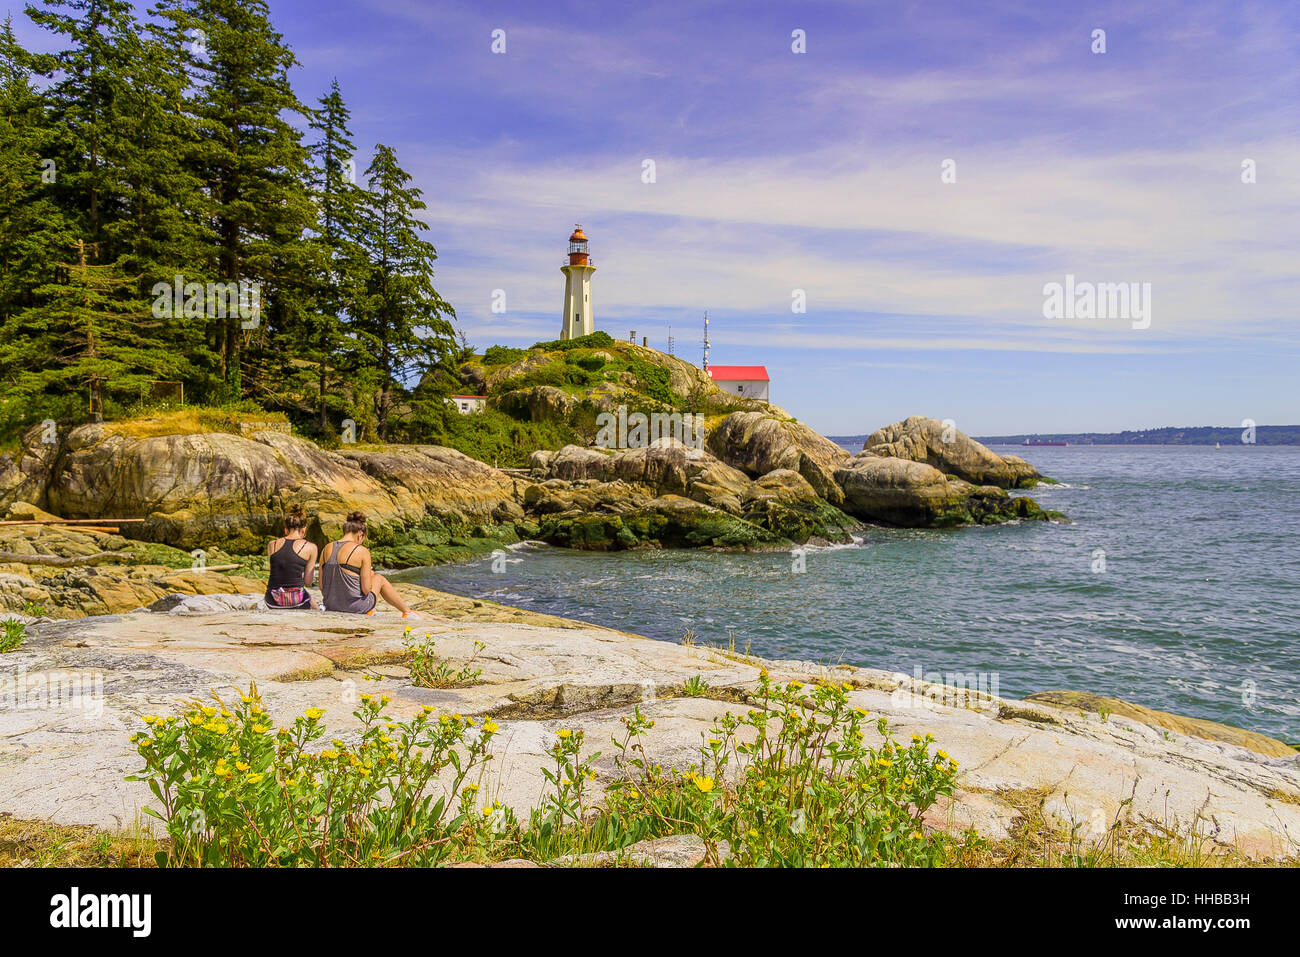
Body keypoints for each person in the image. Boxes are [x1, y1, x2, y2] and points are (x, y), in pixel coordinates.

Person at [320, 511, 422, 618]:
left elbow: (322, 586)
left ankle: (374, 610)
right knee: (379, 578)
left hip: (330, 606)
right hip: (355, 608)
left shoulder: (326, 548)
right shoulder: (361, 551)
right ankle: (407, 612)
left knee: (371, 574)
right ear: (360, 535)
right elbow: (366, 589)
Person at [265, 505, 318, 609]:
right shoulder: (311, 547)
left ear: (285, 530)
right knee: (313, 604)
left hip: (272, 601)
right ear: (304, 530)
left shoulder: (272, 544)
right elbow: (308, 582)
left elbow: (276, 573)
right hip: (296, 602)